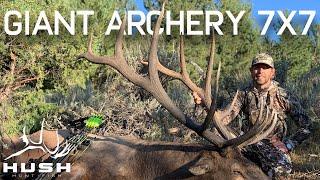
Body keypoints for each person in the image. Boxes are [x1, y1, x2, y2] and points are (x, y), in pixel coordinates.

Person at [193, 53, 312, 178]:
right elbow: (223, 119)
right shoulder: (243, 94)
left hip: (271, 147)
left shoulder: (283, 96)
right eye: (256, 67)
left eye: (265, 67)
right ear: (251, 71)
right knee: (216, 132)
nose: (260, 71)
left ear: (273, 72)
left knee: (281, 170)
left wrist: (288, 145)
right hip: (245, 143)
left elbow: (307, 126)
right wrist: (204, 104)